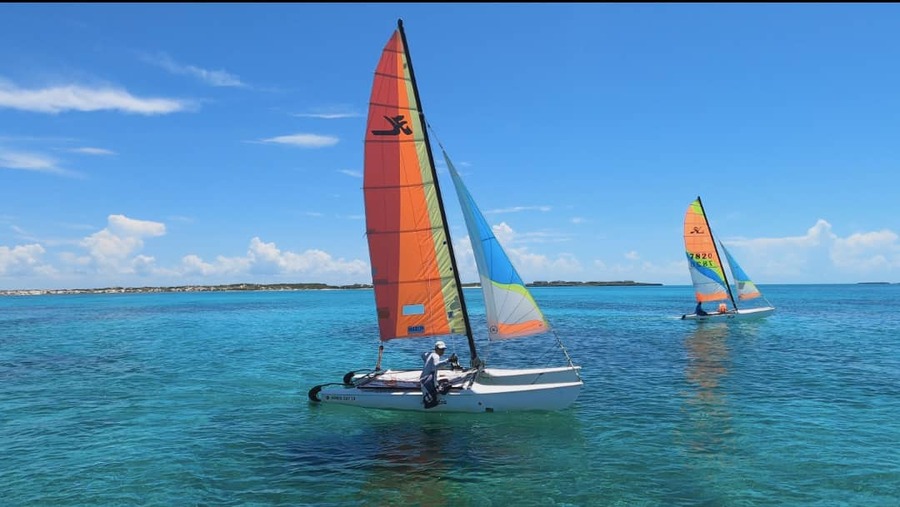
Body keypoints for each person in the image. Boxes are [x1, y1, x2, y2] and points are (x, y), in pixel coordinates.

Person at [420, 340, 457, 409]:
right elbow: (436, 365)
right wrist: (448, 360)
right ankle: (434, 400)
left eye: (443, 349)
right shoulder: (436, 356)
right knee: (446, 385)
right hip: (427, 381)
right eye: (440, 349)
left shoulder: (431, 354)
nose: (442, 351)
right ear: (436, 349)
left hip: (423, 379)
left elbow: (422, 355)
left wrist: (428, 358)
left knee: (443, 381)